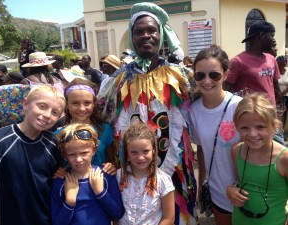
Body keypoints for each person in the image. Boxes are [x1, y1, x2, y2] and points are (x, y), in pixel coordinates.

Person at [97, 2, 196, 224]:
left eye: (152, 30)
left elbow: (202, 107)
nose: (146, 35)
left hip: (174, 163)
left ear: (161, 34)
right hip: (133, 166)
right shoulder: (119, 79)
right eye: (139, 31)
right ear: (132, 37)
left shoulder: (181, 76)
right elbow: (99, 116)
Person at [0, 85, 66, 225]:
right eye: (42, 106)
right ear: (25, 104)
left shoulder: (54, 144)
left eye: (55, 112)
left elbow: (58, 180)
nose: (47, 114)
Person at [188, 46, 242, 225]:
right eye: (200, 75)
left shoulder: (239, 106)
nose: (207, 81)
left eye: (214, 75)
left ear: (226, 74)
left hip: (246, 190)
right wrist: (201, 182)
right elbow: (202, 149)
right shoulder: (194, 111)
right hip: (218, 191)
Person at [226, 93, 288, 225]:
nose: (252, 134)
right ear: (237, 127)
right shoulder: (237, 150)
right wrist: (231, 190)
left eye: (260, 127)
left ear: (274, 125)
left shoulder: (284, 158)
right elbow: (241, 182)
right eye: (244, 128)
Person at [52, 123, 124, 225]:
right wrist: (70, 201)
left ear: (94, 150)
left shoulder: (106, 175)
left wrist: (100, 192)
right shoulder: (60, 181)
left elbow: (118, 213)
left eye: (84, 153)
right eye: (72, 154)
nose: (78, 159)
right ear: (64, 155)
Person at [117, 123, 175, 224]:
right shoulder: (118, 176)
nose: (140, 157)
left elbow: (169, 218)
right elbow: (115, 213)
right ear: (127, 152)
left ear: (153, 150)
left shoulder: (163, 180)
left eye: (145, 151)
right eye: (134, 152)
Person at [56, 78, 115, 167]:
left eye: (87, 103)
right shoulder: (58, 135)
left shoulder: (105, 130)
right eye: (75, 103)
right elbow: (57, 165)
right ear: (67, 104)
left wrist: (111, 166)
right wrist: (59, 171)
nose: (81, 108)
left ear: (94, 104)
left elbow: (112, 160)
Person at [225, 20, 281, 106]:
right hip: (249, 116)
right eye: (271, 36)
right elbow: (225, 91)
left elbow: (276, 88)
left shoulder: (272, 59)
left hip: (270, 114)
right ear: (261, 35)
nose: (273, 40)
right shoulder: (237, 62)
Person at [276, 55, 288, 127]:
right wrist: (279, 95)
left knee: (285, 114)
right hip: (278, 96)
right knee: (280, 114)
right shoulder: (275, 71)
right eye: (282, 62)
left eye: (285, 62)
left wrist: (282, 93)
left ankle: (283, 131)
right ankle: (281, 130)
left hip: (286, 96)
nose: (284, 63)